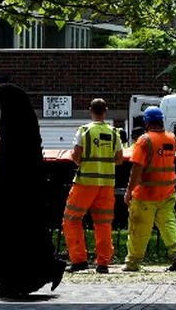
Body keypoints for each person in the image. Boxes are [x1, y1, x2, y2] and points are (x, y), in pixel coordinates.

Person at [0, 84, 65, 297]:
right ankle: (12, 279)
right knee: (20, 233)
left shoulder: (18, 122)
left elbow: (18, 155)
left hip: (19, 191)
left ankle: (15, 280)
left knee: (17, 234)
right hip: (18, 189)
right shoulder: (23, 120)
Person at [62, 98, 124, 273]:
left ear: (91, 111)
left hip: (85, 183)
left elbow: (76, 156)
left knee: (71, 220)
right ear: (105, 111)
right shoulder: (114, 133)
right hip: (106, 185)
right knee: (103, 223)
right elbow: (119, 159)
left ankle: (79, 260)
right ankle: (103, 263)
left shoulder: (84, 131)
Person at [124, 106, 176, 273]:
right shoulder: (172, 139)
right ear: (161, 121)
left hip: (146, 194)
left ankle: (132, 263)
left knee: (139, 229)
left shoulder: (144, 141)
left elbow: (137, 168)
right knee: (169, 225)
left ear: (146, 123)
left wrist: (129, 191)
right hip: (167, 192)